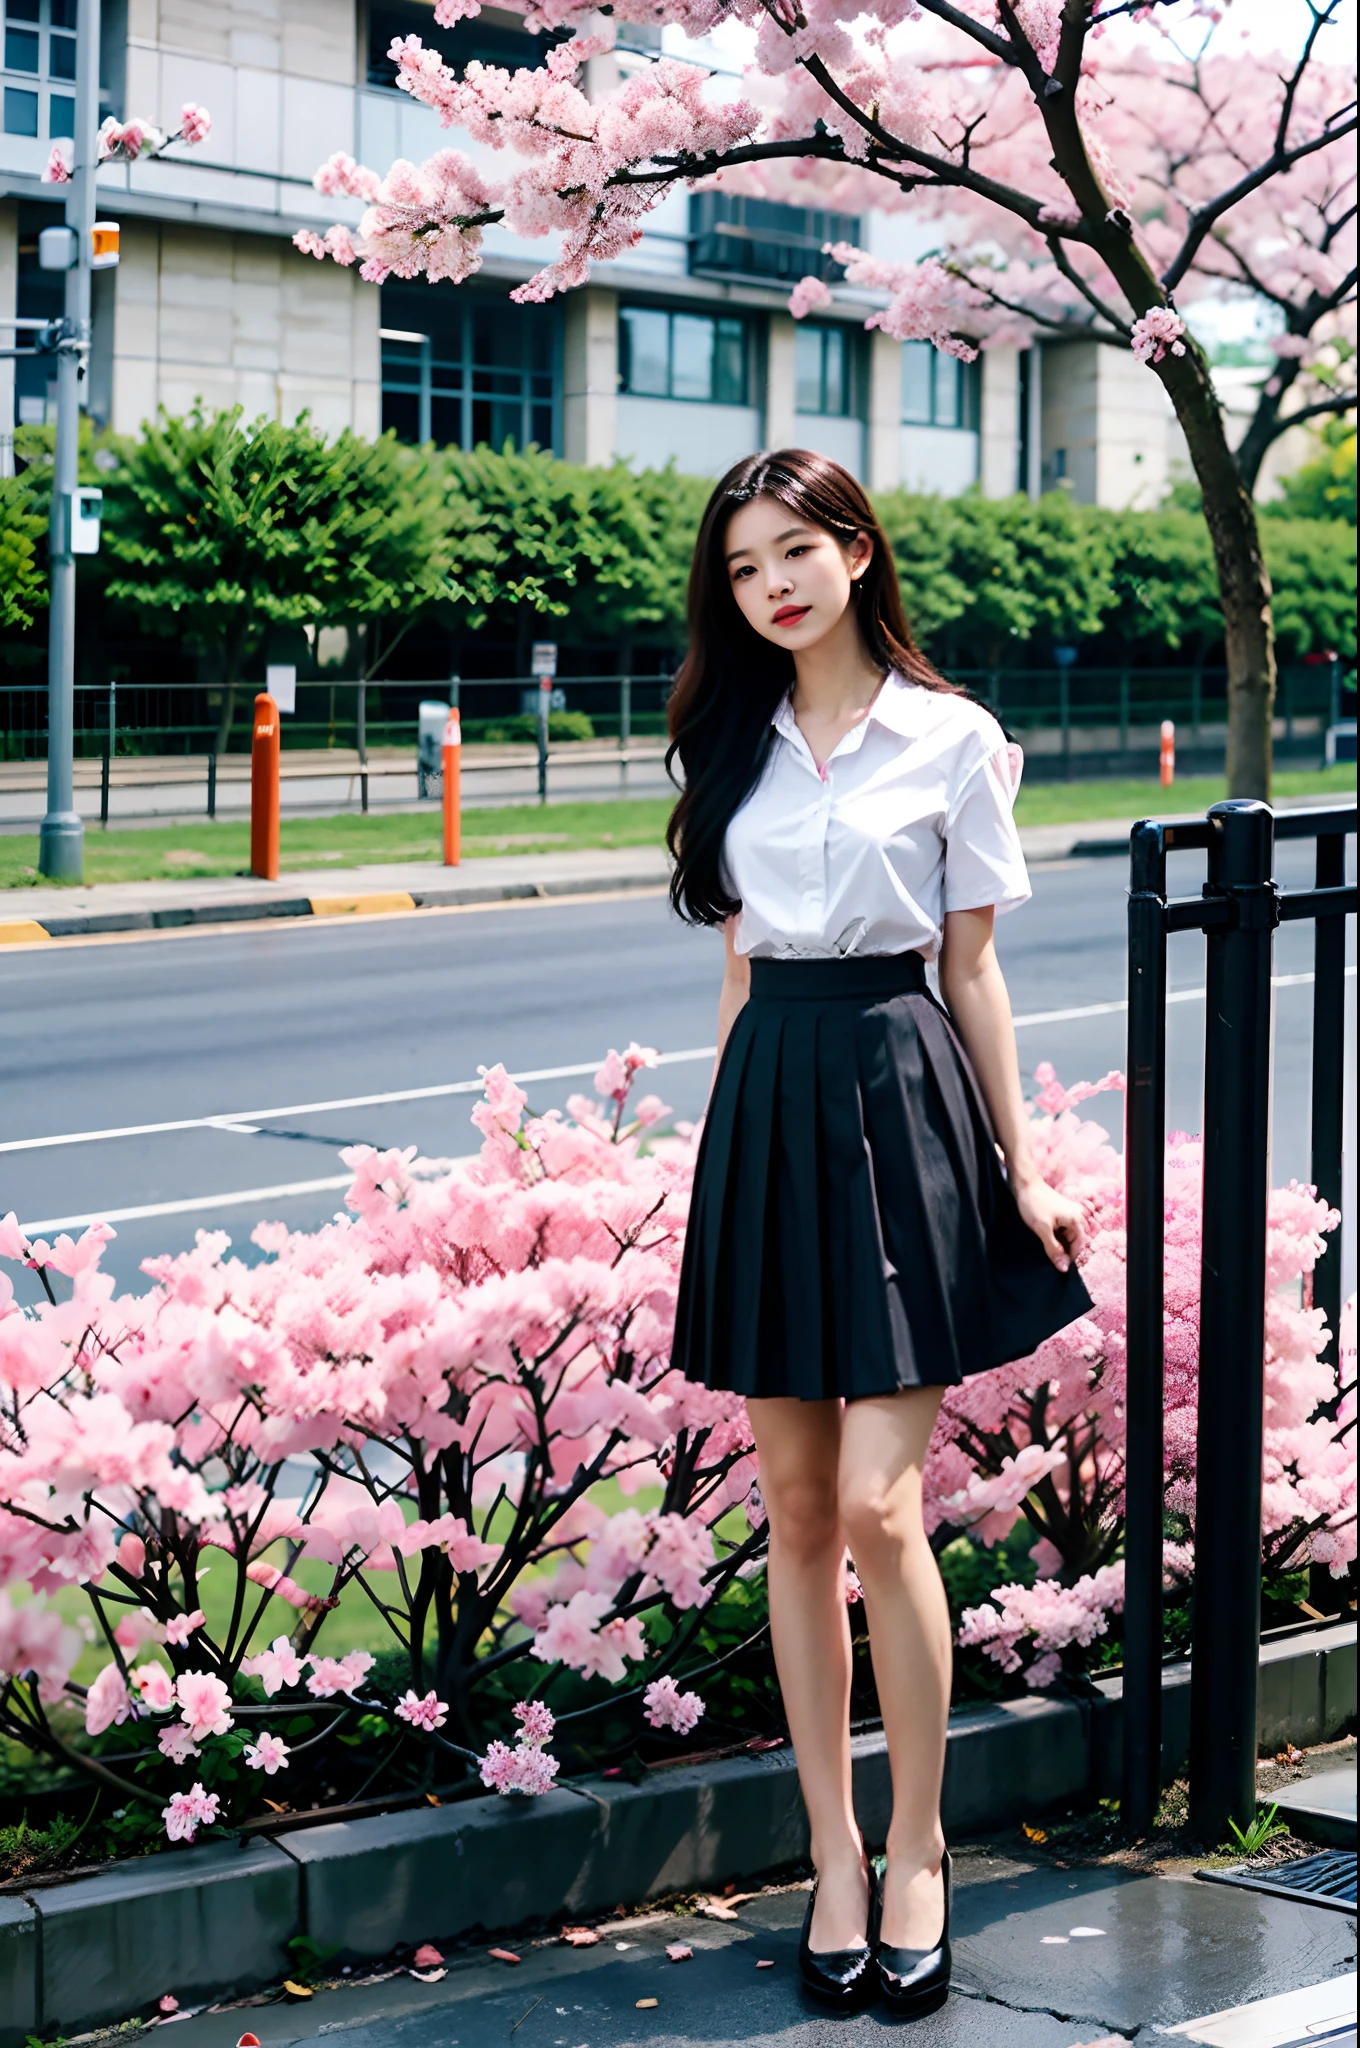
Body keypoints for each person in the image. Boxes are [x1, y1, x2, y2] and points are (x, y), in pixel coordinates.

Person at [665, 450, 1092, 2020]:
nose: (770, 583)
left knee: (879, 1505)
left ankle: (920, 1848)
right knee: (789, 1507)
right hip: (772, 1098)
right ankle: (831, 1860)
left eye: (796, 550)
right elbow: (734, 970)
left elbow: (969, 968)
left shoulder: (955, 738)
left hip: (900, 1095)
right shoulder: (727, 743)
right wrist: (719, 1156)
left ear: (857, 551)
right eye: (743, 565)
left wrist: (1024, 1166)